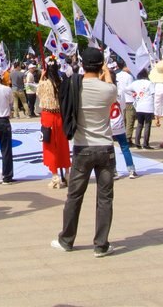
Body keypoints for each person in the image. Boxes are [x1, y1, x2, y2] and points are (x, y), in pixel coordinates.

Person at [52, 47, 117, 257]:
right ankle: (101, 244)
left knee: (74, 196)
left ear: (81, 64)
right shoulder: (108, 90)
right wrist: (106, 74)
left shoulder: (74, 87)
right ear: (101, 66)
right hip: (105, 147)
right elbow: (111, 89)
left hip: (82, 147)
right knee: (105, 198)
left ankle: (67, 239)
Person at [37, 63, 70, 189]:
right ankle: (67, 173)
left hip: (47, 116)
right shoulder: (61, 83)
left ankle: (55, 175)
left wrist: (41, 77)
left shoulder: (44, 84)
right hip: (59, 116)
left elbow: (38, 93)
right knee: (63, 144)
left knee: (49, 146)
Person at [129, 68, 156, 149]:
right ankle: (145, 143)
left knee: (139, 124)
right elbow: (153, 93)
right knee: (147, 125)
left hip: (139, 106)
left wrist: (133, 94)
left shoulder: (135, 83)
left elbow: (126, 89)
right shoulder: (149, 83)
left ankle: (137, 142)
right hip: (148, 106)